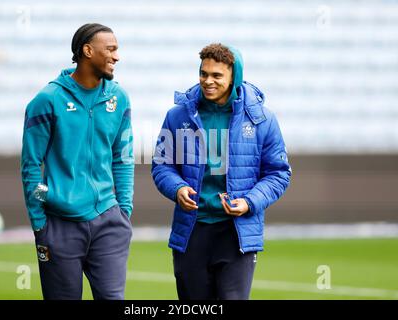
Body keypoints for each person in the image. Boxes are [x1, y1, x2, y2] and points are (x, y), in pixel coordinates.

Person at [151, 43, 291, 300]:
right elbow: (162, 166)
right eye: (204, 74)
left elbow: (279, 173)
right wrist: (178, 188)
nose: (208, 81)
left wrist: (249, 202)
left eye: (217, 76)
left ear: (233, 78)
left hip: (236, 232)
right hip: (191, 231)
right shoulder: (177, 116)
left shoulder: (262, 120)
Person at [21, 23, 134, 300]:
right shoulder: (47, 100)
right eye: (110, 49)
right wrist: (40, 219)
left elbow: (123, 158)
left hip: (109, 221)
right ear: (87, 51)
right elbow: (31, 167)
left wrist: (124, 209)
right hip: (59, 226)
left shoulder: (118, 98)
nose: (116, 56)